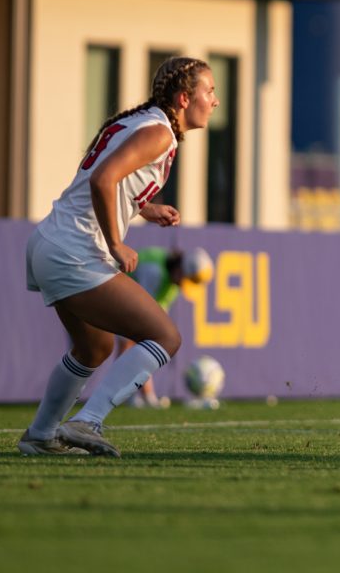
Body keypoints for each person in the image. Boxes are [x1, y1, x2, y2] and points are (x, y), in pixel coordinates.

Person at [18, 57, 218, 457]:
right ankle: (86, 422)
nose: (214, 101)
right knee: (166, 336)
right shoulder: (160, 133)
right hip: (74, 250)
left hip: (49, 243)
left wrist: (145, 208)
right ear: (184, 98)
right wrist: (115, 242)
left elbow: (104, 180)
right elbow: (101, 179)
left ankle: (41, 435)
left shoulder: (144, 122)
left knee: (92, 348)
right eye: (209, 92)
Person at [118, 245, 214, 408]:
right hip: (110, 295)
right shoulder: (154, 272)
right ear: (180, 270)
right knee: (125, 345)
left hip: (125, 299)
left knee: (146, 341)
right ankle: (129, 395)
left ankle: (137, 395)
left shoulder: (172, 283)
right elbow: (137, 323)